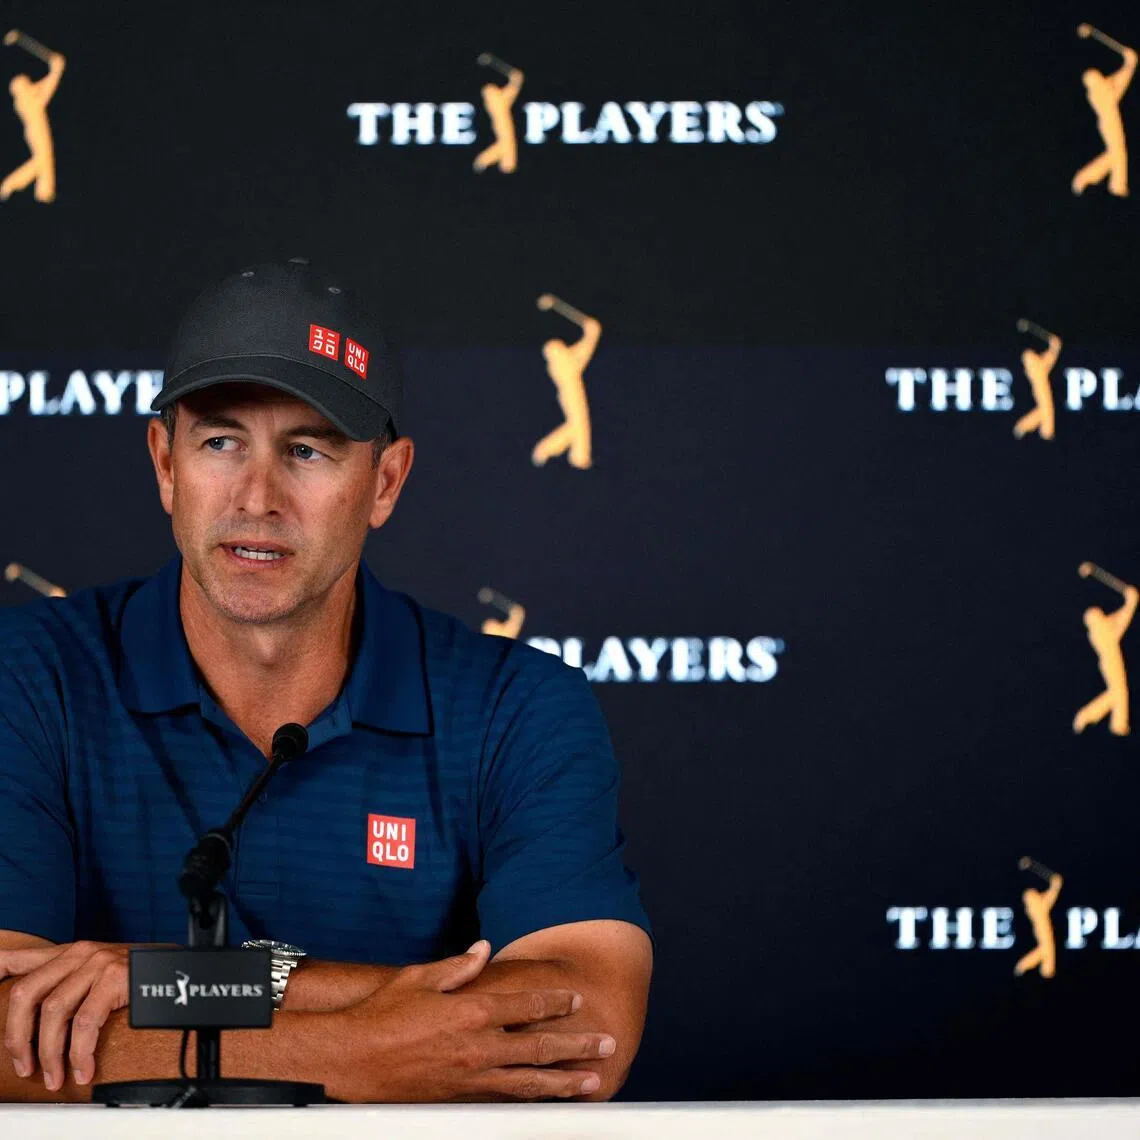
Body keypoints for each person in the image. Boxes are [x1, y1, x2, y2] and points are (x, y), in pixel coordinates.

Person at [0, 258, 652, 1103]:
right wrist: (352, 1051)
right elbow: (9, 1032)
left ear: (384, 482)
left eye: (307, 450)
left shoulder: (515, 705)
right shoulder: (31, 675)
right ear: (165, 463)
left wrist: (171, 982)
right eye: (221, 441)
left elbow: (579, 1034)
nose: (257, 496)